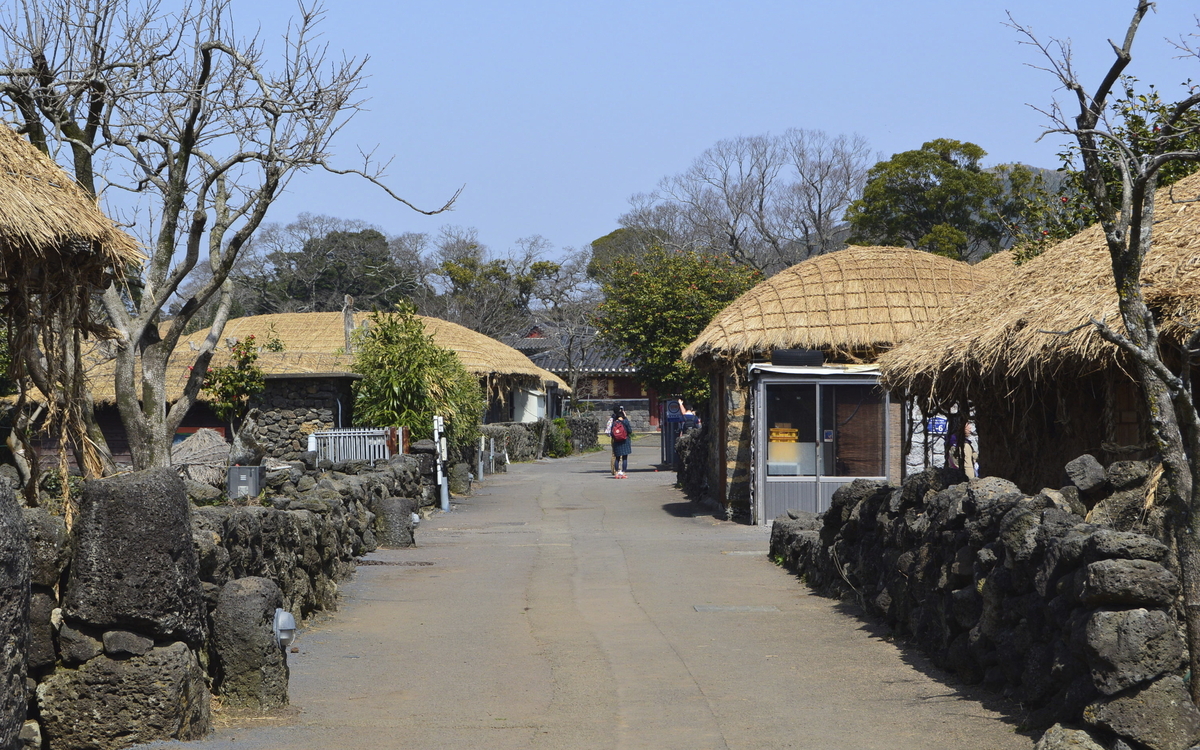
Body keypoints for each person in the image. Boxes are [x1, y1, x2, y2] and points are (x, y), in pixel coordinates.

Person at [604, 405, 634, 478]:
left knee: (616, 457)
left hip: (616, 440)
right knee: (624, 458)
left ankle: (616, 472)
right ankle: (623, 472)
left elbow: (611, 432)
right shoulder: (625, 421)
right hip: (624, 440)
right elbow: (630, 430)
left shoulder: (614, 421)